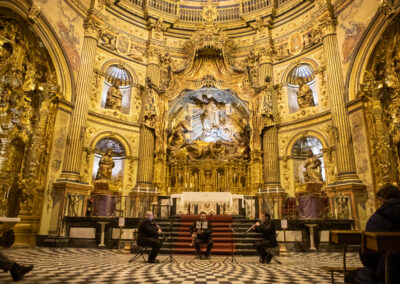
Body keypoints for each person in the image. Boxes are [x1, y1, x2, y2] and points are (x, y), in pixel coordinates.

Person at [345, 184, 400, 284]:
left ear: (382, 200)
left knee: (350, 277)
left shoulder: (377, 218)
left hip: (387, 272)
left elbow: (368, 255)